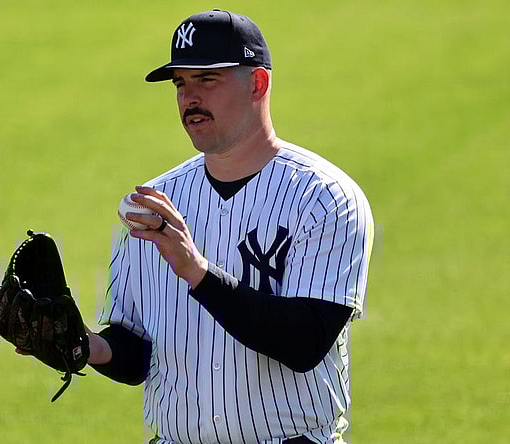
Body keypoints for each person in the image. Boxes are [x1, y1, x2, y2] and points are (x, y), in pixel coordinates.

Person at [84, 9, 374, 444]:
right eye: (180, 83)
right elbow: (138, 353)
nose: (189, 98)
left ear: (258, 83)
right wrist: (82, 345)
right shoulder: (155, 202)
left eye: (207, 80)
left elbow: (305, 342)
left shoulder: (325, 197)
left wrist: (197, 271)